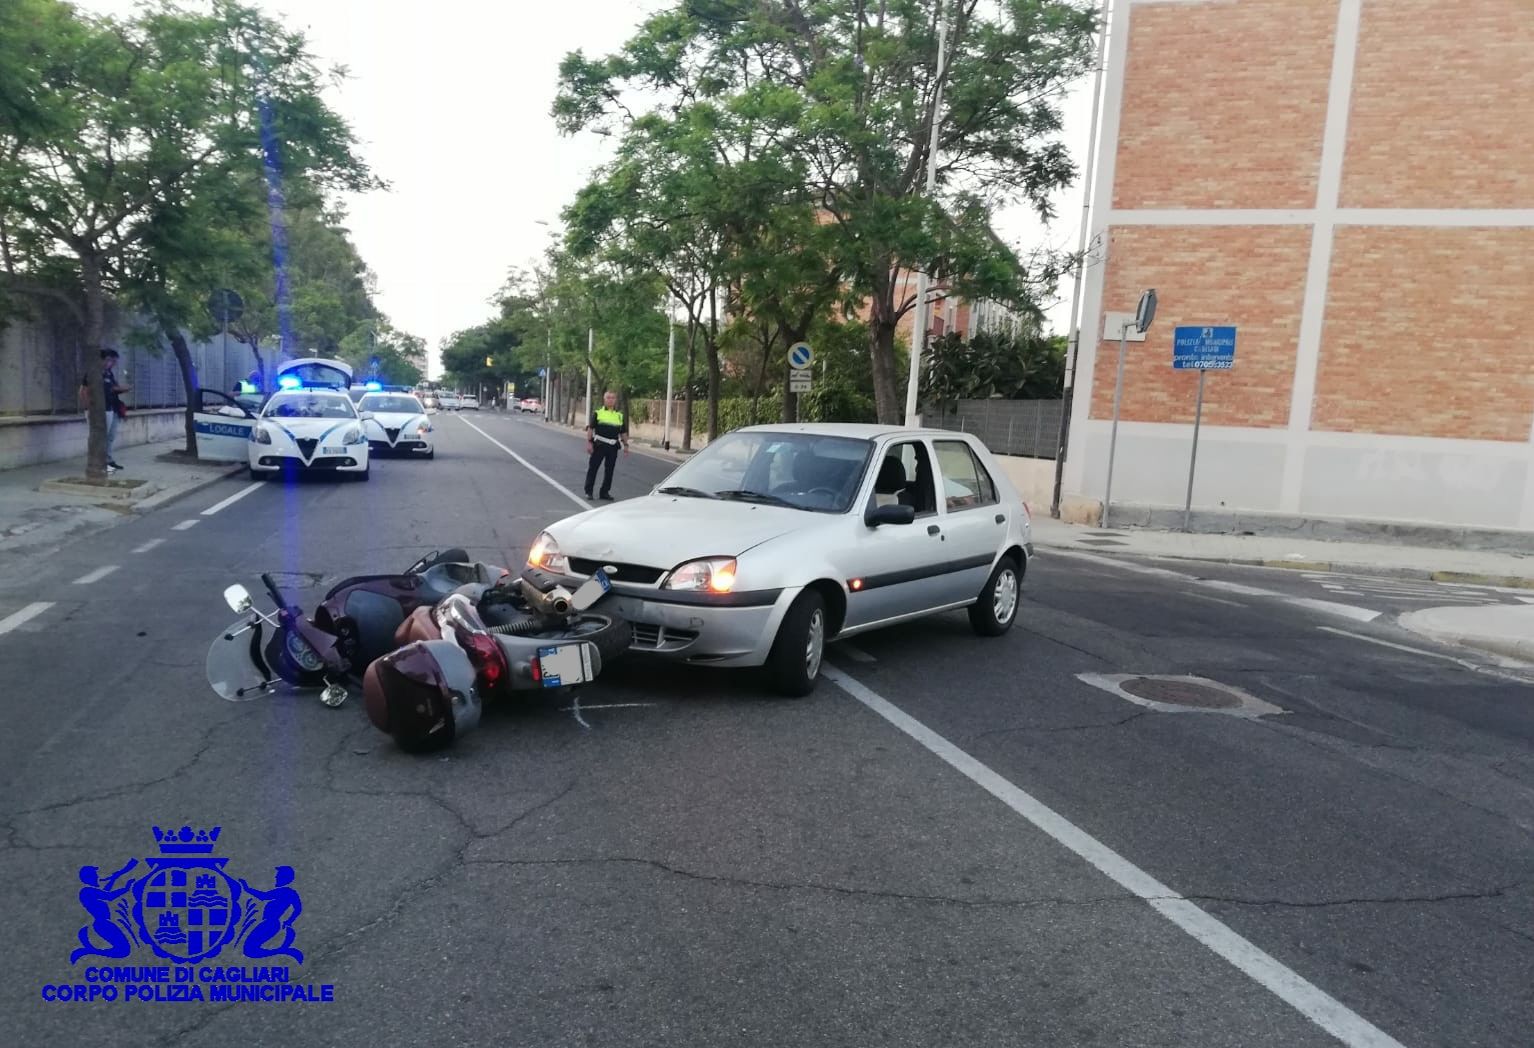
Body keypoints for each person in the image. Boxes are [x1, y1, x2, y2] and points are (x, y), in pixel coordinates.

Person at [78, 349, 131, 472]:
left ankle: (107, 460)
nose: (112, 363)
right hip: (98, 410)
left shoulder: (108, 373)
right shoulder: (93, 373)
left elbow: (111, 389)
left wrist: (123, 389)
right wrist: (89, 407)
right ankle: (96, 463)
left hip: (110, 408)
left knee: (109, 436)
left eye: (114, 361)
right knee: (98, 437)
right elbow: (83, 391)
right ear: (101, 360)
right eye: (109, 360)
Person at [583, 390, 629, 501]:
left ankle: (604, 492)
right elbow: (591, 428)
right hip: (599, 445)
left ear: (615, 400)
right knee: (593, 468)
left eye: (613, 398)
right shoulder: (598, 413)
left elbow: (622, 432)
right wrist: (589, 442)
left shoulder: (619, 416)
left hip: (613, 446)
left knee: (610, 470)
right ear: (604, 399)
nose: (610, 400)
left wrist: (626, 445)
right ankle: (589, 491)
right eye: (608, 397)